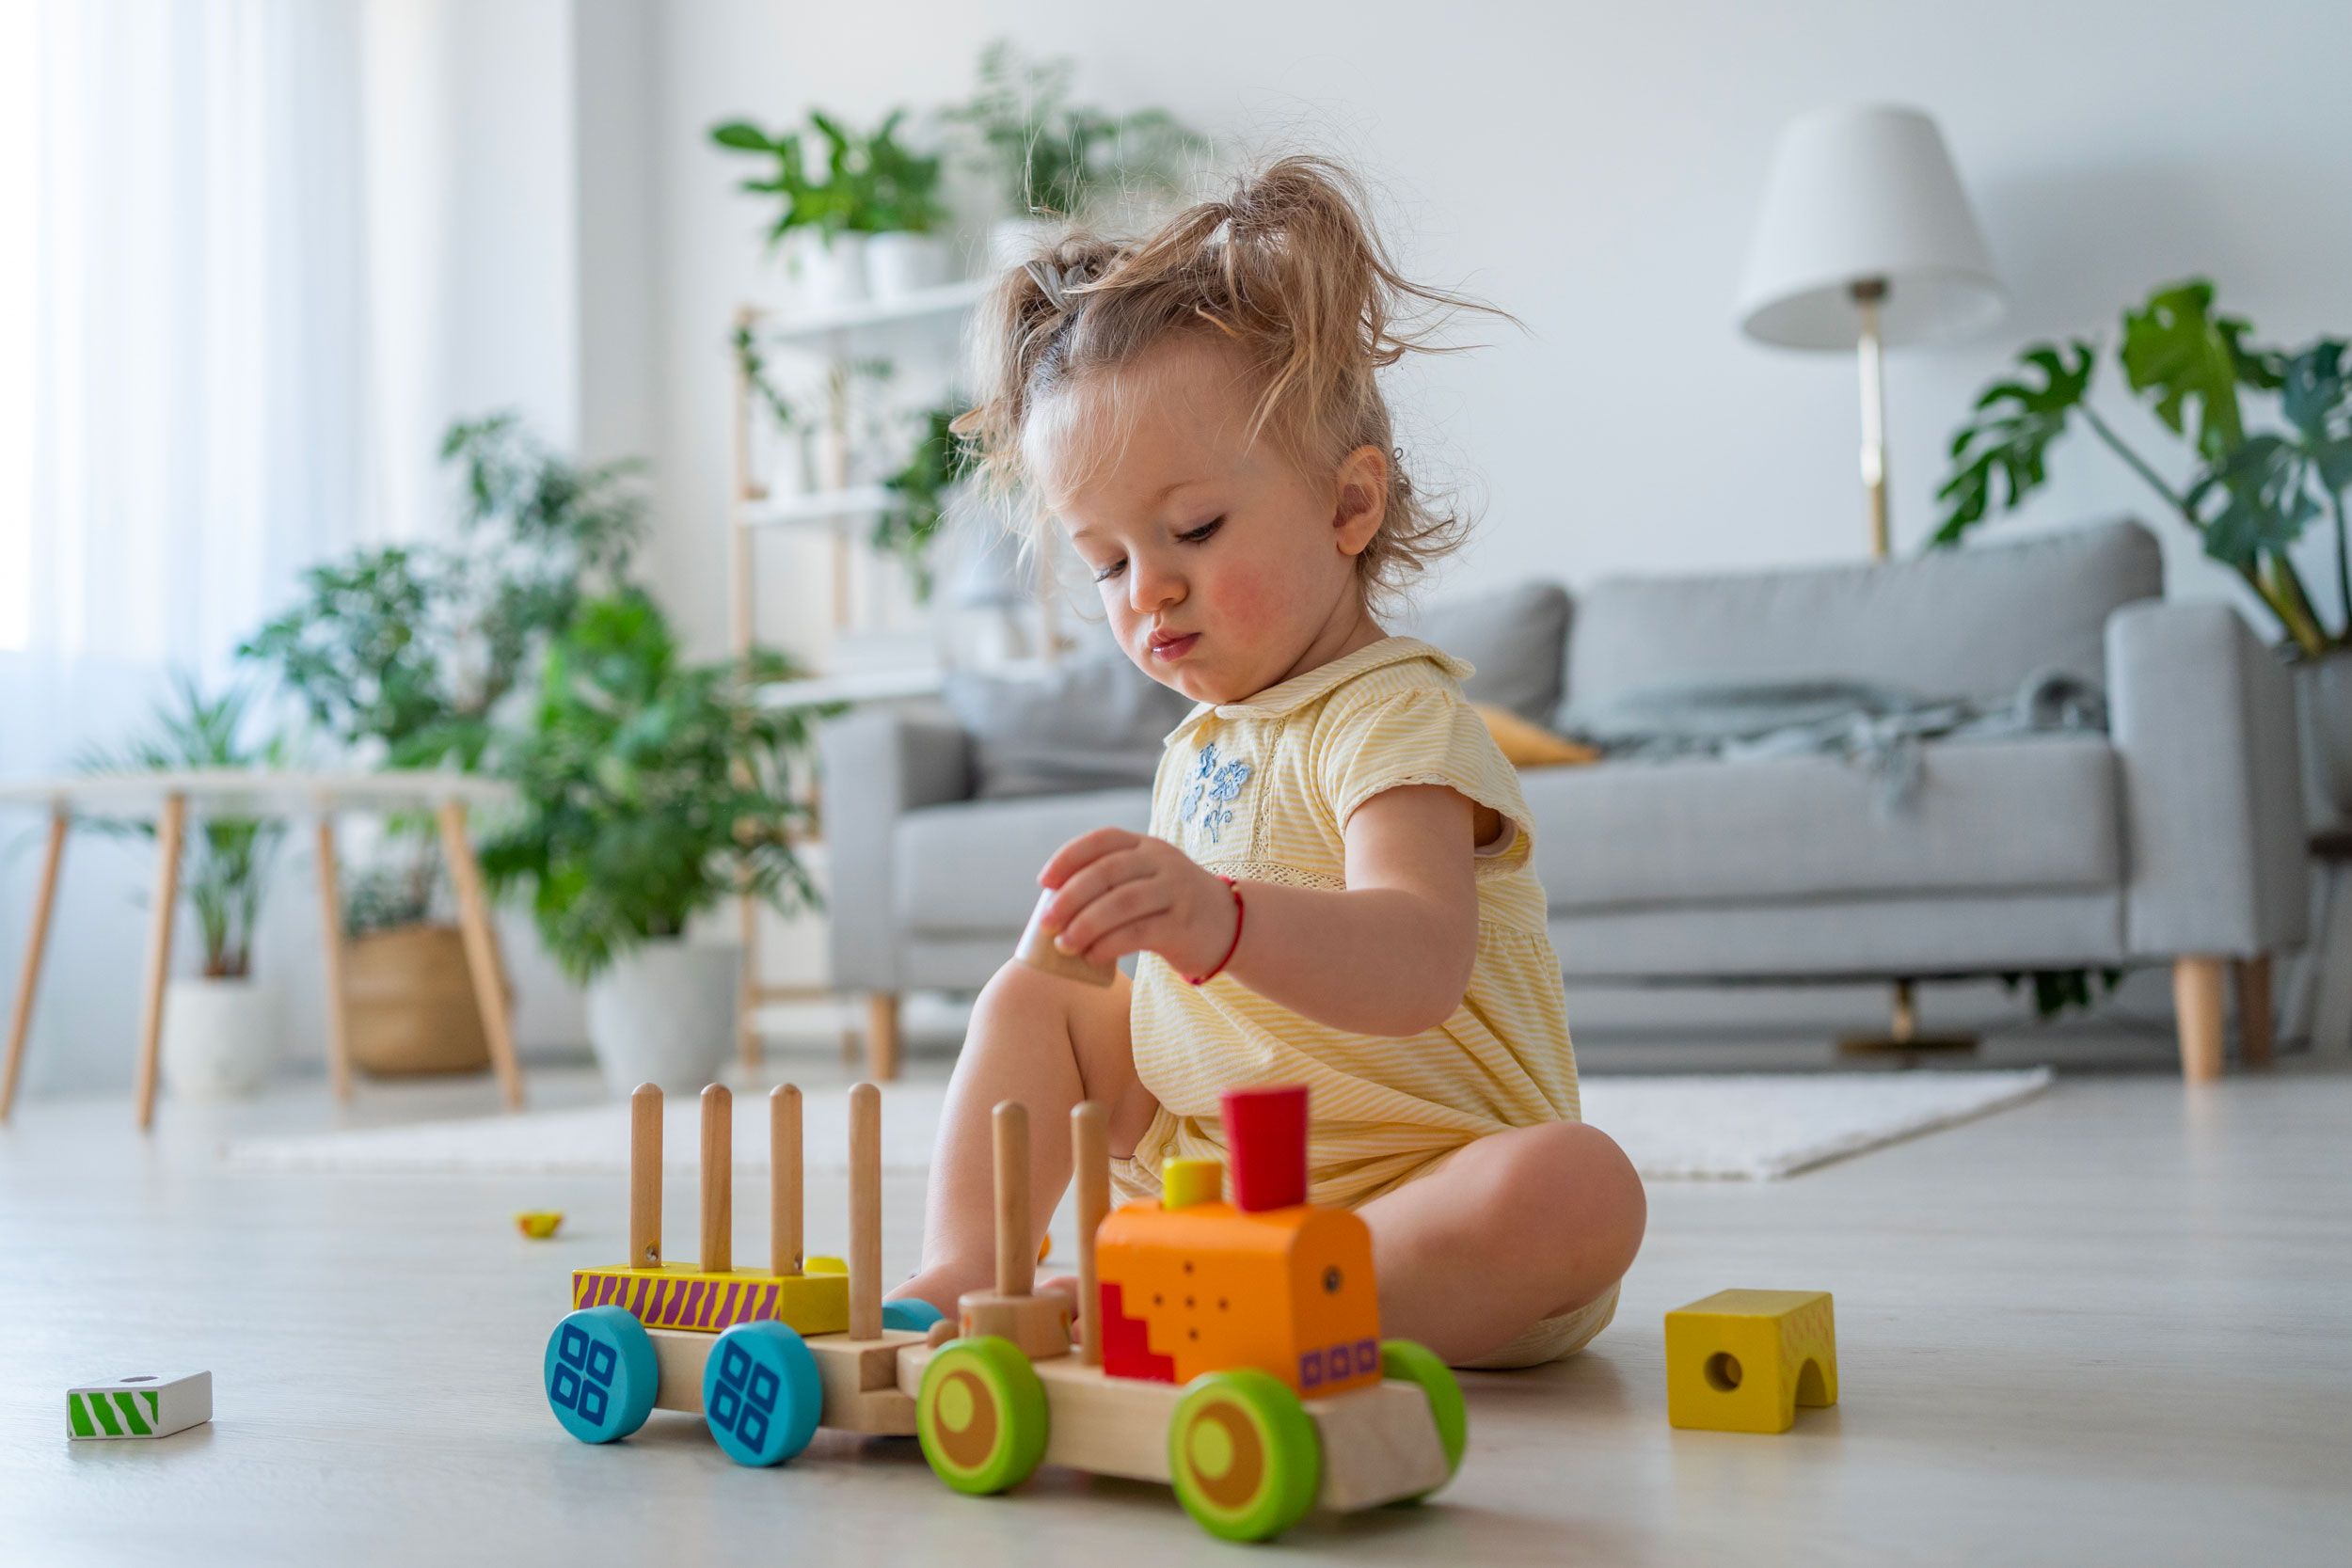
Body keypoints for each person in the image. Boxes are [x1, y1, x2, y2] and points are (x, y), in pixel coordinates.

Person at [888, 153, 1645, 1367]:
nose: (1152, 591)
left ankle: (1255, 1310)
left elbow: (1417, 963)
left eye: (1190, 530)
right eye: (1109, 562)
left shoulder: (1392, 718)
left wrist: (1216, 918)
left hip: (1419, 1209)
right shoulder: (1198, 748)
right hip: (1228, 1199)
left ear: (1350, 509)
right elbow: (1182, 1023)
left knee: (1578, 1189)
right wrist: (1105, 949)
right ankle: (972, 1278)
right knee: (1034, 999)